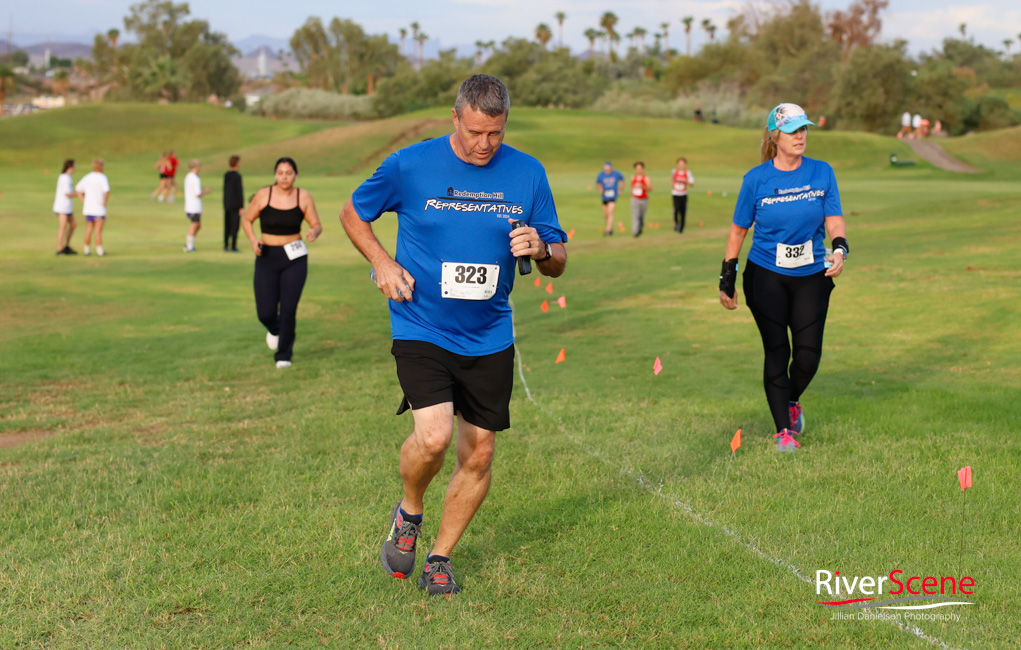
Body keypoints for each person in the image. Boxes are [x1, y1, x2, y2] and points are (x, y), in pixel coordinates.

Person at [340, 74, 567, 596]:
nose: (484, 144)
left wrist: (538, 248)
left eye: (496, 133)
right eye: (474, 132)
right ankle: (410, 511)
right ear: (455, 118)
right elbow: (353, 211)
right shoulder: (410, 165)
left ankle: (440, 557)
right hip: (421, 323)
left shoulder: (528, 173)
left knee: (480, 452)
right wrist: (382, 262)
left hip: (489, 333)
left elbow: (557, 258)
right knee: (435, 436)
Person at [718, 102, 848, 452]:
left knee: (807, 356)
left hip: (811, 274)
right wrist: (726, 278)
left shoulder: (822, 172)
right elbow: (737, 233)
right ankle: (783, 431)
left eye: (804, 129)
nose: (801, 136)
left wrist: (840, 249)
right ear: (775, 136)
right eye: (793, 131)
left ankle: (790, 400)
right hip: (765, 276)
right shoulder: (756, 179)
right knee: (777, 349)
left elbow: (834, 218)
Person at [241, 157, 322, 368]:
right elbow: (247, 219)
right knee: (265, 312)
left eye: (288, 173)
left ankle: (284, 355)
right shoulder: (263, 195)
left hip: (294, 258)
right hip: (266, 255)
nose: (284, 177)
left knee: (288, 308)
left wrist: (314, 231)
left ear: (295, 174)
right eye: (280, 173)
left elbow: (316, 223)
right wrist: (252, 240)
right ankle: (275, 328)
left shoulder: (302, 196)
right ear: (275, 174)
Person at [75, 158, 110, 257]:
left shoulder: (87, 177)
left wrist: (84, 201)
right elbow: (107, 190)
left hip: (89, 209)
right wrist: (105, 202)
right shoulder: (102, 177)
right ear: (101, 166)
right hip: (98, 209)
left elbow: (78, 190)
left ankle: (87, 250)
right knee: (98, 230)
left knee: (89, 229)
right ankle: (100, 251)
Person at [182, 160, 211, 252]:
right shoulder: (195, 179)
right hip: (194, 206)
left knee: (198, 225)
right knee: (195, 224)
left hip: (190, 205)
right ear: (196, 167)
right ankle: (189, 246)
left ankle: (190, 244)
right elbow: (197, 194)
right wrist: (205, 191)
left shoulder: (188, 176)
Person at [53, 159, 78, 255]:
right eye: (74, 166)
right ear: (71, 167)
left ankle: (66, 246)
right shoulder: (64, 178)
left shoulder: (68, 177)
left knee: (73, 225)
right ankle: (60, 249)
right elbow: (68, 194)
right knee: (63, 227)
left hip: (67, 207)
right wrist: (79, 194)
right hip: (62, 207)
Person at [595, 161, 624, 236]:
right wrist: (600, 189)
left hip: (612, 196)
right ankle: (610, 228)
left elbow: (622, 180)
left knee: (610, 212)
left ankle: (608, 231)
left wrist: (620, 189)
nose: (607, 170)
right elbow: (597, 184)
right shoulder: (601, 174)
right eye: (606, 169)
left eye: (608, 169)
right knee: (606, 214)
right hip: (604, 197)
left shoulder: (616, 174)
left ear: (611, 168)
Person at [223, 155, 244, 252]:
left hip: (227, 204)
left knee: (227, 225)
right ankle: (234, 246)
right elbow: (239, 192)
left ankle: (226, 245)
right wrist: (241, 206)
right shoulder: (237, 176)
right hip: (235, 205)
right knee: (235, 226)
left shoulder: (226, 175)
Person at [670, 157, 695, 234]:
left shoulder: (688, 173)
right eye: (680, 164)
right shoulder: (674, 171)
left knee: (683, 211)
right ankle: (676, 223)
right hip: (676, 194)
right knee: (676, 210)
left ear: (685, 165)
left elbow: (692, 184)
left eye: (683, 164)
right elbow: (671, 181)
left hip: (683, 194)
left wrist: (685, 181)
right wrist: (674, 184)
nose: (681, 165)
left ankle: (681, 228)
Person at [630, 161, 651, 237]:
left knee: (641, 216)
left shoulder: (646, 178)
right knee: (635, 215)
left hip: (644, 199)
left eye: (640, 168)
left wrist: (643, 187)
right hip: (635, 199)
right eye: (637, 169)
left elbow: (650, 188)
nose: (639, 170)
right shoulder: (633, 177)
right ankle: (635, 232)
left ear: (643, 169)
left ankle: (640, 227)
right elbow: (631, 187)